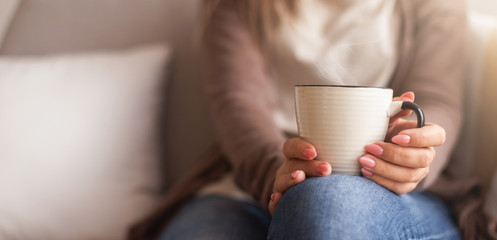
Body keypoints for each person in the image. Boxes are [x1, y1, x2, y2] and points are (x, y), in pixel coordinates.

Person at [129, 0, 468, 239]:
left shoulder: (433, 5)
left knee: (327, 202)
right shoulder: (238, 6)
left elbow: (436, 102)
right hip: (244, 191)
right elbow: (238, 108)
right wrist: (283, 179)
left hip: (393, 193)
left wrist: (414, 157)